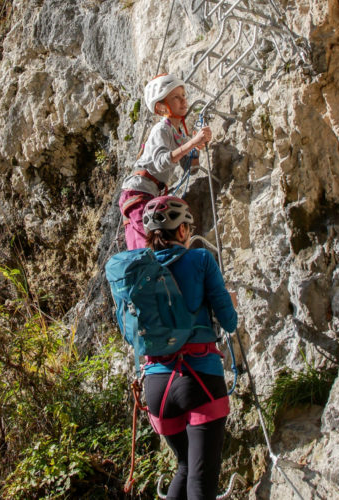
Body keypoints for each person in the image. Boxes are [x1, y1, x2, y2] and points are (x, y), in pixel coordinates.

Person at [140, 196, 237, 500]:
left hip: (157, 387)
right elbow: (229, 322)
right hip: (199, 378)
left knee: (183, 466)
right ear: (182, 231)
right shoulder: (201, 260)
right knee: (201, 480)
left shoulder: (139, 270)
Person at [119, 74, 212, 250]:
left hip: (148, 193)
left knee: (149, 246)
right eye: (176, 97)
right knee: (150, 246)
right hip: (137, 192)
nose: (183, 101)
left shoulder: (179, 134)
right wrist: (191, 143)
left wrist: (196, 147)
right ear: (161, 107)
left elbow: (191, 169)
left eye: (183, 95)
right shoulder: (161, 129)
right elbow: (162, 162)